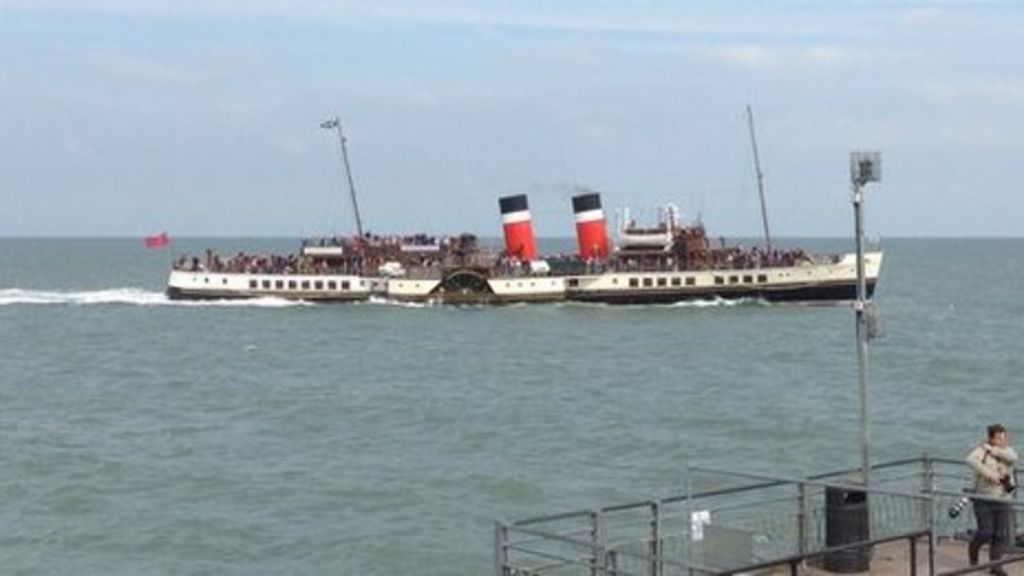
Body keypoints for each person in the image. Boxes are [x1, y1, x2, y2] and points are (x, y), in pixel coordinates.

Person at [966, 423, 1017, 575]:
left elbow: (1013, 457)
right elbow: (970, 460)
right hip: (983, 498)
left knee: (1000, 535)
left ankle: (995, 566)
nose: (1002, 441)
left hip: (1003, 498)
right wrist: (989, 473)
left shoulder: (1006, 451)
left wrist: (994, 450)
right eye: (999, 438)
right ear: (991, 438)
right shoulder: (980, 451)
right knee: (985, 532)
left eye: (1004, 437)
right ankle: (973, 552)